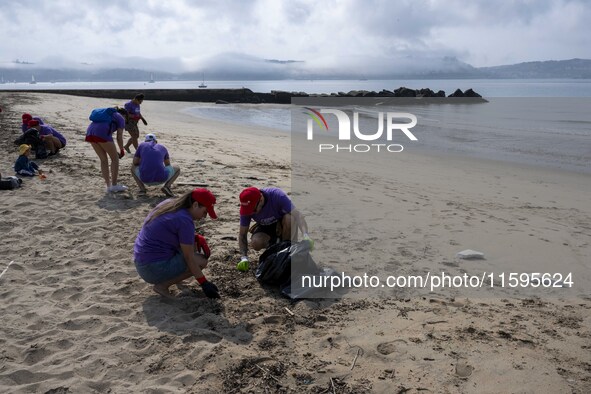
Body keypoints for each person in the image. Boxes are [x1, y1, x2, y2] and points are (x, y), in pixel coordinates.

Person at [133, 188, 220, 299]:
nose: (204, 217)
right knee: (201, 261)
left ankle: (176, 279)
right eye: (205, 212)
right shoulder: (184, 220)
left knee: (191, 245)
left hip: (141, 260)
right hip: (151, 269)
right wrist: (204, 283)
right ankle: (162, 286)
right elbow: (189, 258)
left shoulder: (170, 204)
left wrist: (194, 238)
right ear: (195, 205)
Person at [236, 187, 313, 271]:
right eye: (247, 210)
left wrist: (306, 236)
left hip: (283, 224)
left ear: (261, 199)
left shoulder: (277, 195)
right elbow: (242, 234)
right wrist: (244, 258)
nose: (251, 213)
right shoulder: (247, 208)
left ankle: (286, 249)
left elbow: (298, 216)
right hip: (265, 226)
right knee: (256, 243)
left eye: (253, 209)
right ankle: (275, 248)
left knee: (289, 218)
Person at [85, 107, 128, 193]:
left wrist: (115, 150)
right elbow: (119, 137)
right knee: (115, 159)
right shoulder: (120, 118)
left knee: (103, 160)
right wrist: (122, 149)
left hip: (90, 132)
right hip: (101, 132)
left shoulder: (109, 115)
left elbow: (108, 140)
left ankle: (108, 186)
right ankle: (114, 185)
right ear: (124, 115)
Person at [131, 133, 180, 197]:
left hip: (145, 179)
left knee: (133, 167)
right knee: (177, 168)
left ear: (145, 141)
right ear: (156, 141)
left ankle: (142, 190)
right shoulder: (162, 147)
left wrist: (143, 161)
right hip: (162, 178)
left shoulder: (142, 145)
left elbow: (135, 162)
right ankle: (167, 186)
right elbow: (168, 164)